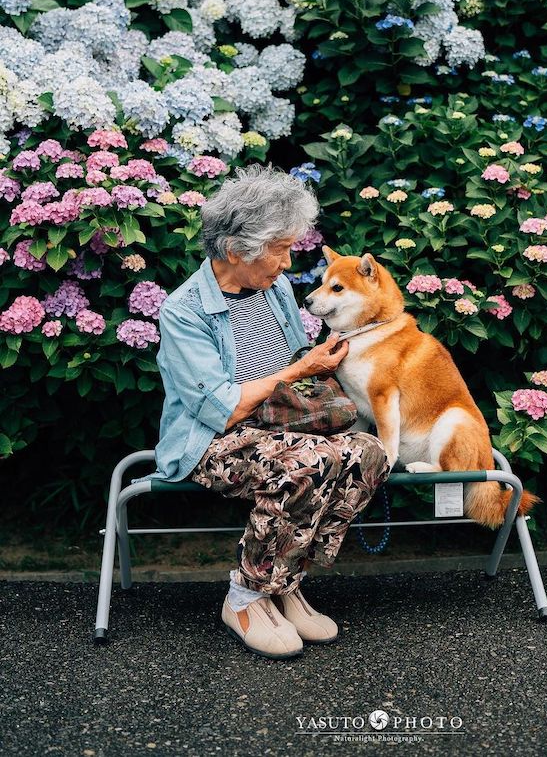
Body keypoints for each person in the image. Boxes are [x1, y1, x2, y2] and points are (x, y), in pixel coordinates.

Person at [134, 164, 392, 660]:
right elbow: (221, 409)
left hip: (284, 425)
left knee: (368, 452)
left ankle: (284, 580)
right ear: (237, 251)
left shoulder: (272, 290)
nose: (288, 262)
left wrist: (328, 359)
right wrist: (300, 372)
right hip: (212, 441)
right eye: (279, 249)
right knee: (307, 464)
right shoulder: (183, 310)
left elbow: (296, 362)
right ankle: (246, 597)